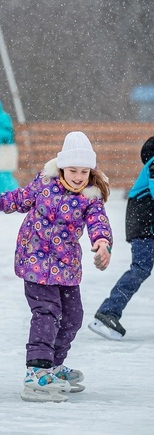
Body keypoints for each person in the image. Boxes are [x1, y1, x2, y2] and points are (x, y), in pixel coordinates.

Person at [0, 131, 113, 403]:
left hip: (66, 265)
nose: (78, 176)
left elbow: (98, 222)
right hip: (35, 259)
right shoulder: (45, 183)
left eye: (84, 171)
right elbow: (18, 199)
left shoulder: (90, 197)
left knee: (73, 316)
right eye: (73, 170)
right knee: (47, 312)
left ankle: (53, 365)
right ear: (62, 167)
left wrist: (102, 243)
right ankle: (37, 371)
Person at [89, 136, 154, 341]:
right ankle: (108, 313)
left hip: (145, 221)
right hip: (145, 223)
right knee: (141, 267)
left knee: (141, 267)